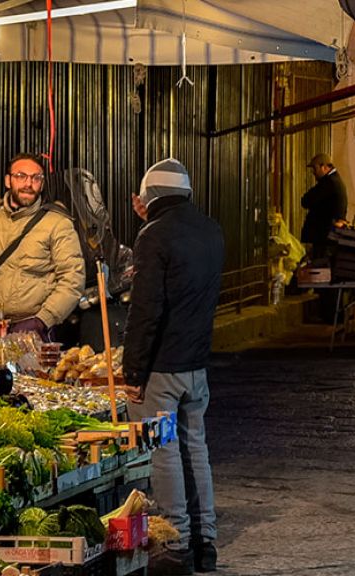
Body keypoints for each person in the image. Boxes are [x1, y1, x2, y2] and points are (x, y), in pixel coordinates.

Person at [123, 159, 225, 575]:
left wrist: (133, 372)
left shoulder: (154, 235)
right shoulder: (211, 231)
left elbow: (146, 311)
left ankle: (173, 545)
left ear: (151, 198)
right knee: (195, 449)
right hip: (196, 367)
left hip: (162, 370)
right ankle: (206, 543)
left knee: (163, 451)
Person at [0, 153, 85, 342]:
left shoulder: (57, 223)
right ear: (8, 180)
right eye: (21, 176)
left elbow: (72, 278)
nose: (28, 184)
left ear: (42, 184)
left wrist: (43, 320)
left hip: (33, 333)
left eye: (36, 178)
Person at [300, 153, 348, 260]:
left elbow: (306, 200)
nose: (313, 172)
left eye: (315, 168)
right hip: (327, 234)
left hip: (325, 235)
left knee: (320, 264)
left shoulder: (329, 183)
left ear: (325, 167)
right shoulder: (334, 180)